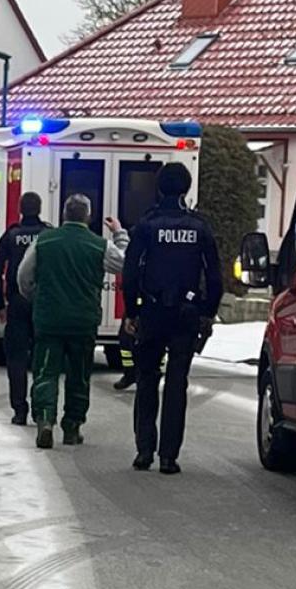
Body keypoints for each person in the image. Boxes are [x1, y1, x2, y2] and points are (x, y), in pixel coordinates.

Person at [123, 163, 222, 475]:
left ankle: (144, 450)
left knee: (147, 379)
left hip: (152, 312)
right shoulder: (200, 227)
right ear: (187, 189)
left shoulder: (147, 225)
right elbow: (215, 275)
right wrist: (207, 311)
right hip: (186, 315)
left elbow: (131, 272)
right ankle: (169, 456)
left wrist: (132, 311)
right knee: (177, 384)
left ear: (160, 187)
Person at [17, 194, 128, 450]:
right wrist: (120, 234)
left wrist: (36, 297)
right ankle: (72, 426)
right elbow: (124, 263)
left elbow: (24, 276)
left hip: (48, 319)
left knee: (46, 371)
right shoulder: (99, 245)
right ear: (88, 217)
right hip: (83, 321)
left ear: (64, 215)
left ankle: (45, 420)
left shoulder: (43, 241)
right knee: (79, 374)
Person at [0, 193, 50, 426]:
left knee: (16, 358)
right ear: (40, 208)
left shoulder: (11, 235)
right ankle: (39, 408)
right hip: (42, 303)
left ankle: (19, 410)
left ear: (20, 209)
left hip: (16, 303)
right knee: (41, 358)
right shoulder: (47, 234)